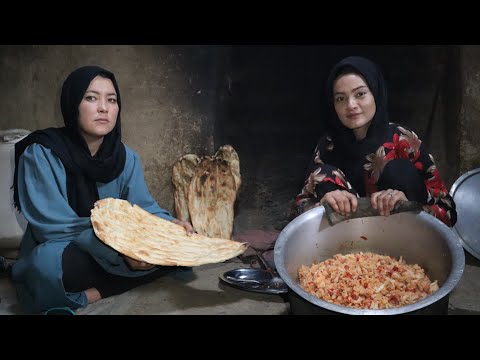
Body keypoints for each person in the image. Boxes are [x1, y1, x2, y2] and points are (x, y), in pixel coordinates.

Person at [11, 65, 194, 314]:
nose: (103, 108)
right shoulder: (41, 152)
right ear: (72, 103)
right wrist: (122, 248)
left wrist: (170, 224)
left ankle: (101, 289)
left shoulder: (125, 157)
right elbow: (52, 226)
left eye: (112, 100)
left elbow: (143, 208)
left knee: (177, 247)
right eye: (91, 98)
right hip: (63, 245)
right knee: (46, 267)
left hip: (116, 246)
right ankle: (118, 282)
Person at [293, 56, 457, 227]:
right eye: (340, 98)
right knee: (325, 175)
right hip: (346, 242)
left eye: (360, 94)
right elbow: (298, 207)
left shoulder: (403, 140)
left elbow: (448, 212)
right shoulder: (328, 144)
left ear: (376, 94)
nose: (351, 105)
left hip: (406, 236)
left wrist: (408, 205)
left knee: (398, 171)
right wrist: (322, 204)